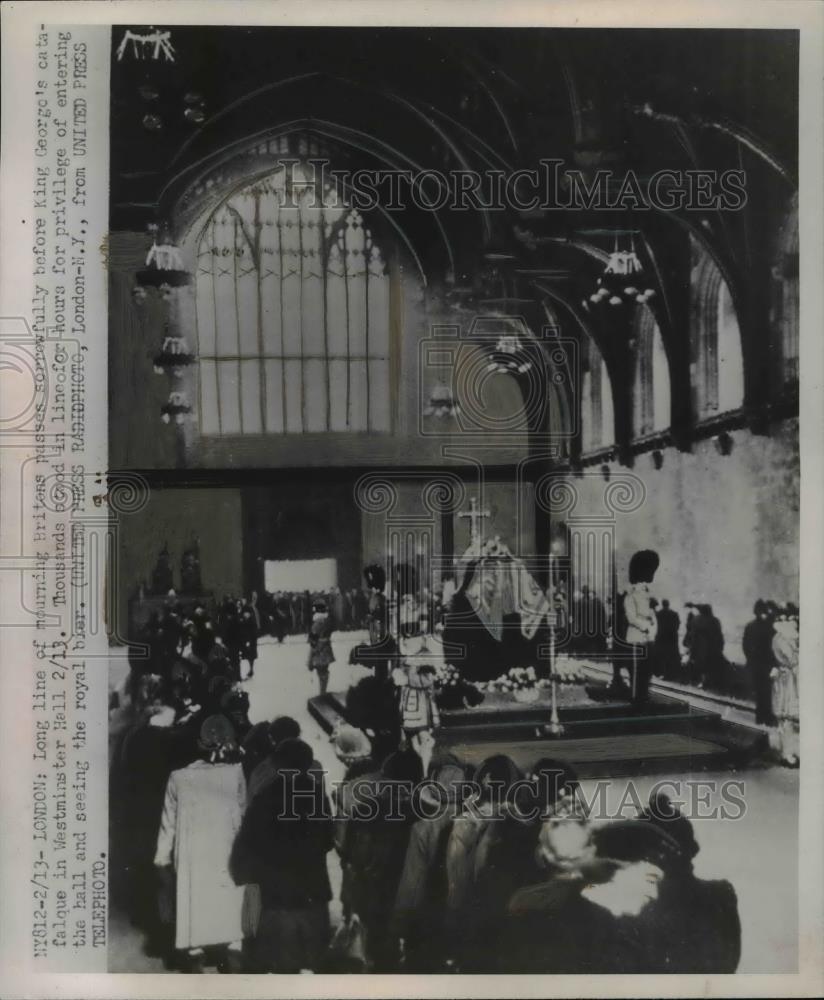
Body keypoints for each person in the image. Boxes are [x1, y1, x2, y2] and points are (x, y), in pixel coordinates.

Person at [231, 739, 333, 973]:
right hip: (311, 893)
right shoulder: (318, 795)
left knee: (278, 963)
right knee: (310, 961)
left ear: (278, 765)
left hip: (275, 895)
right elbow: (328, 840)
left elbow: (248, 842)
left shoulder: (265, 797)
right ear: (308, 765)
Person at [154, 714, 246, 972]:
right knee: (228, 900)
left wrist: (161, 858)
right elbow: (243, 812)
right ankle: (233, 948)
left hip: (192, 856)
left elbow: (167, 823)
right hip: (227, 851)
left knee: (194, 899)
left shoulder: (178, 778)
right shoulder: (235, 774)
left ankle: (195, 952)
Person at [624, 549, 660, 706]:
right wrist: (646, 626)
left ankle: (643, 696)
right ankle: (636, 698)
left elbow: (652, 614)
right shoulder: (631, 594)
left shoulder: (647, 594)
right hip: (636, 637)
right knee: (637, 671)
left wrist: (653, 628)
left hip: (648, 638)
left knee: (647, 671)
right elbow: (631, 617)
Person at [770, 605, 800, 766]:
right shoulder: (782, 639)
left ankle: (789, 752)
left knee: (788, 719)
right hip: (787, 681)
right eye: (785, 619)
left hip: (788, 679)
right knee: (786, 718)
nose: (791, 621)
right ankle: (787, 754)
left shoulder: (787, 638)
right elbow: (792, 660)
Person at [742, 599, 778, 725]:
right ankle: (766, 717)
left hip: (754, 664)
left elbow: (745, 646)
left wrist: (750, 659)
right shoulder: (769, 627)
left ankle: (760, 717)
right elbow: (772, 648)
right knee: (766, 691)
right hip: (765, 664)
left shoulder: (749, 626)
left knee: (758, 691)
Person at [307, 600, 335, 695]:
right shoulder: (328, 621)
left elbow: (313, 641)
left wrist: (309, 660)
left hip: (318, 649)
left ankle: (322, 692)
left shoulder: (317, 623)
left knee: (320, 671)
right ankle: (323, 690)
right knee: (325, 671)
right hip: (327, 647)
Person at [654, 599, 681, 682]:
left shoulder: (659, 614)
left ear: (662, 604)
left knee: (662, 656)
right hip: (672, 637)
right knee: (671, 655)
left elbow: (655, 619)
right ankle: (672, 674)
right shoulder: (674, 614)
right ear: (668, 604)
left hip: (661, 637)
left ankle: (662, 673)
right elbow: (678, 624)